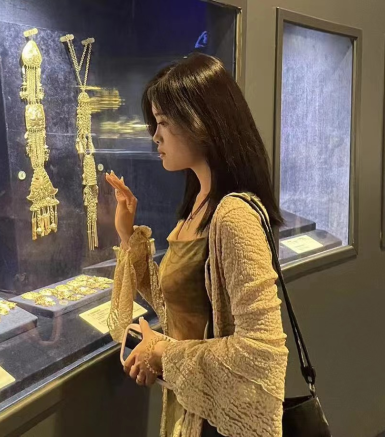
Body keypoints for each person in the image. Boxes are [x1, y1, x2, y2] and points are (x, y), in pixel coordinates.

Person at [105, 53, 288, 437]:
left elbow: (262, 352)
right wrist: (127, 235)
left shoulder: (233, 217)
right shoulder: (199, 206)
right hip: (193, 409)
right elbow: (178, 300)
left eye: (163, 122)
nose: (155, 136)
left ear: (201, 122)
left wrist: (161, 352)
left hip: (218, 423)